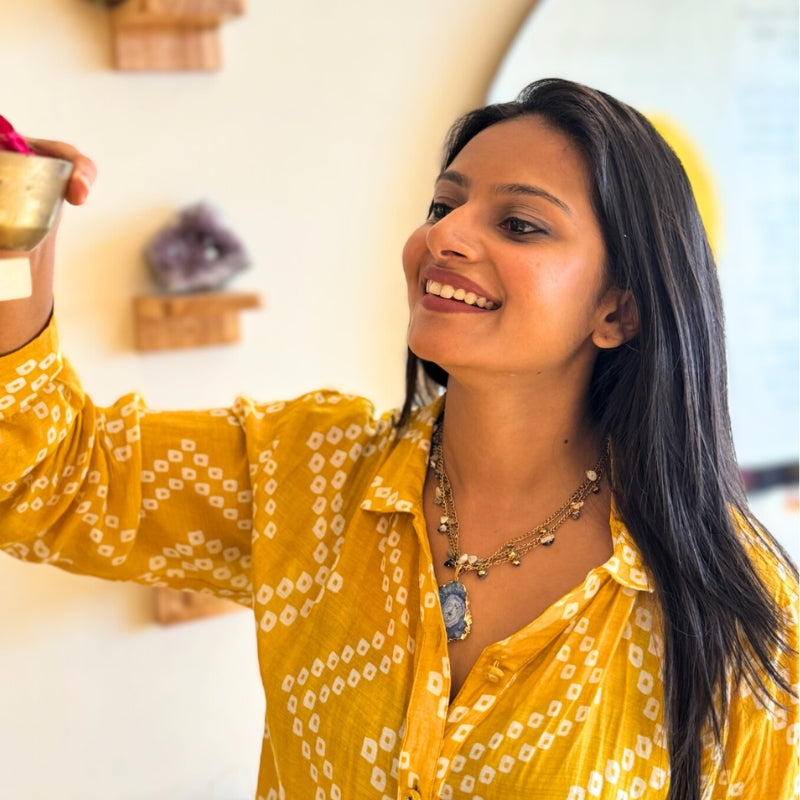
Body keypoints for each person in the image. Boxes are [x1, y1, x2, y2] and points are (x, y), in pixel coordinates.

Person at [0, 78, 796, 800]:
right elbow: (44, 481)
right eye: (443, 207)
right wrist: (16, 233)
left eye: (519, 224)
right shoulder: (306, 474)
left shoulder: (745, 613)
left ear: (618, 311)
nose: (445, 237)